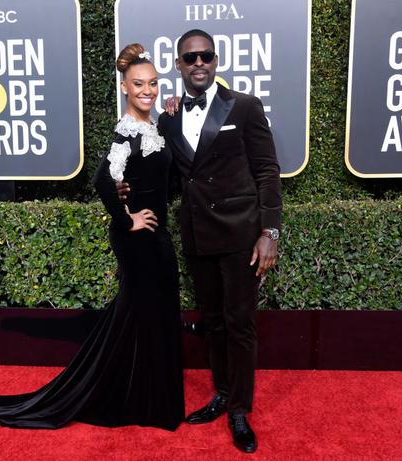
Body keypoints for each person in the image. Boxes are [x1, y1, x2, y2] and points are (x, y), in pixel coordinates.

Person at [0, 44, 185, 431]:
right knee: (139, 313)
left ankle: (144, 396)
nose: (148, 90)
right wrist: (126, 220)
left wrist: (170, 112)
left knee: (152, 313)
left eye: (154, 83)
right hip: (138, 239)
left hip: (156, 236)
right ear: (125, 88)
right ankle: (130, 397)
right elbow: (102, 180)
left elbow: (152, 168)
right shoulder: (126, 131)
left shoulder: (151, 126)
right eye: (139, 84)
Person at [119, 29, 282, 453]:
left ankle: (240, 410)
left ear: (215, 60)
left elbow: (266, 170)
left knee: (240, 323)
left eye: (205, 56)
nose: (198, 64)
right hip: (197, 235)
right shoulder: (169, 116)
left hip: (241, 234)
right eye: (190, 58)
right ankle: (223, 392)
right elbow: (166, 176)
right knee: (212, 321)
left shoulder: (244, 106)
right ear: (178, 65)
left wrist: (269, 232)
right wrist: (125, 194)